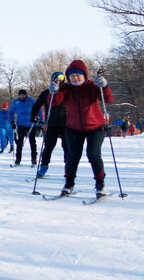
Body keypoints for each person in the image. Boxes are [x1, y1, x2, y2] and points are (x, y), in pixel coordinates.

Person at [48, 59, 113, 197]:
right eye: (72, 76)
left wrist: (105, 86)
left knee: (93, 154)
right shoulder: (66, 88)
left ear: (84, 75)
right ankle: (69, 183)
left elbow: (108, 99)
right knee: (72, 156)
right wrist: (53, 91)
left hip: (95, 126)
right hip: (73, 127)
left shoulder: (92, 86)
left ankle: (100, 184)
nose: (75, 78)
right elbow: (54, 102)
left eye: (78, 75)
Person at [31, 72, 67, 177]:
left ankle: (68, 168)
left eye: (60, 80)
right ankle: (44, 166)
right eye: (55, 80)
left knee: (67, 146)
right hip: (52, 124)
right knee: (48, 147)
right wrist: (33, 115)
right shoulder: (46, 93)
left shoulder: (66, 92)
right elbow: (37, 105)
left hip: (66, 123)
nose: (57, 82)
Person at [8, 89, 41, 166]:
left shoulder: (31, 100)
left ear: (26, 95)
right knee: (19, 143)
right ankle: (18, 159)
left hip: (31, 124)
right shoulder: (16, 102)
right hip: (21, 124)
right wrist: (12, 122)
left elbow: (39, 109)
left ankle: (34, 159)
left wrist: (40, 119)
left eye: (23, 95)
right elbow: (10, 113)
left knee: (32, 142)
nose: (22, 96)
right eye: (20, 95)